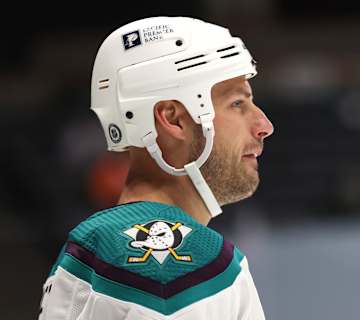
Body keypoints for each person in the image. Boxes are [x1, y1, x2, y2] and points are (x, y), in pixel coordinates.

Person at [38, 16, 274, 320]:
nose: (264, 125)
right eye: (238, 104)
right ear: (174, 119)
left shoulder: (100, 243)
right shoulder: (178, 262)